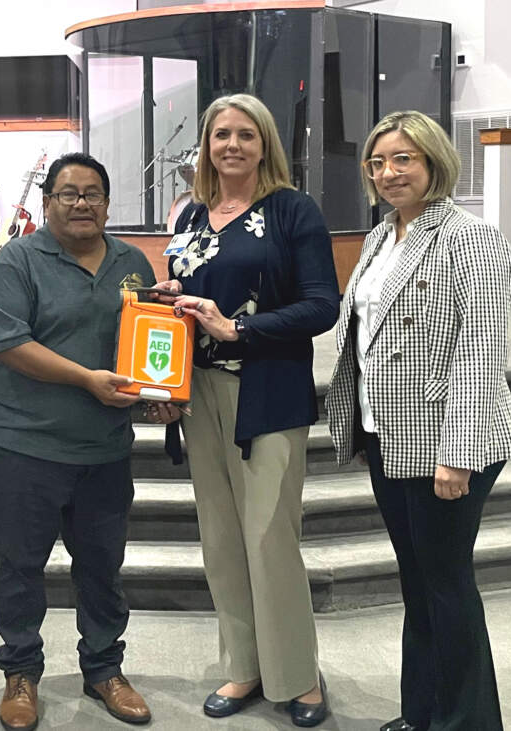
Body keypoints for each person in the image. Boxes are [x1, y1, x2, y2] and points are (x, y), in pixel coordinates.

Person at [325, 110, 511, 731]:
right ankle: (423, 713)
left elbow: (480, 351)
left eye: (403, 158)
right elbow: (366, 336)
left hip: (447, 440)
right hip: (389, 435)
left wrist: (458, 455)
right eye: (378, 162)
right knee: (418, 582)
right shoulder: (382, 237)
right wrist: (361, 425)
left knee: (446, 583)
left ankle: (467, 722)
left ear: (435, 159)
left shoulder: (470, 237)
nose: (389, 172)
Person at [150, 94, 339, 727]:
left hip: (265, 391)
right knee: (221, 538)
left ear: (265, 145)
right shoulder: (190, 214)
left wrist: (239, 330)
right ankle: (245, 665)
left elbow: (322, 305)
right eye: (221, 134)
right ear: (206, 145)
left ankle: (297, 675)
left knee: (269, 538)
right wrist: (174, 300)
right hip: (199, 393)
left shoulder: (292, 210)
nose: (232, 145)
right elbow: (192, 294)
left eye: (246, 135)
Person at [0, 152, 156, 730]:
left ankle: (105, 669)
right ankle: (20, 673)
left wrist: (159, 392)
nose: (82, 203)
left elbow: (147, 344)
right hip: (25, 445)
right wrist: (86, 379)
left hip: (105, 449)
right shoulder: (18, 260)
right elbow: (9, 344)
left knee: (102, 568)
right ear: (47, 202)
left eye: (93, 193)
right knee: (20, 568)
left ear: (107, 203)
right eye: (68, 193)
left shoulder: (133, 263)